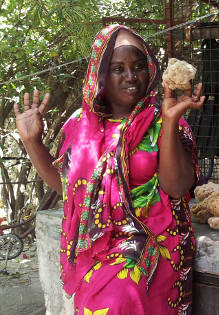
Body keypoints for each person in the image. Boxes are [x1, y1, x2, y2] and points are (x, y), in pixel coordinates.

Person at [13, 24, 205, 314]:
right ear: (101, 75)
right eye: (119, 68)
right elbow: (69, 190)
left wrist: (169, 121)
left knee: (115, 303)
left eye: (138, 67)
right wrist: (31, 142)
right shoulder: (80, 126)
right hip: (96, 245)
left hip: (151, 242)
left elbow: (176, 188)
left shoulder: (163, 121)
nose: (131, 77)